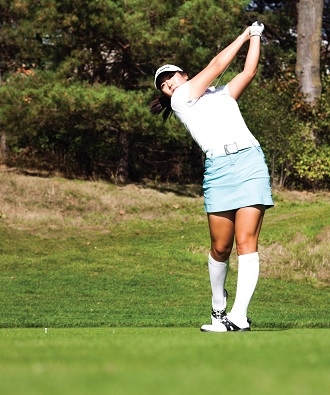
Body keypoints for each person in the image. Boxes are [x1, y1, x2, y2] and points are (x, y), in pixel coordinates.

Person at [150, 22, 274, 332]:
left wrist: (256, 37)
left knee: (247, 242)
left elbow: (247, 73)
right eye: (163, 85)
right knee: (221, 246)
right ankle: (219, 307)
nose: (169, 85)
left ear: (185, 75)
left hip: (249, 163)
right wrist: (244, 34)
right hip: (218, 171)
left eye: (172, 78)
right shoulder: (181, 101)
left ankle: (238, 316)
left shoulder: (222, 96)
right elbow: (218, 64)